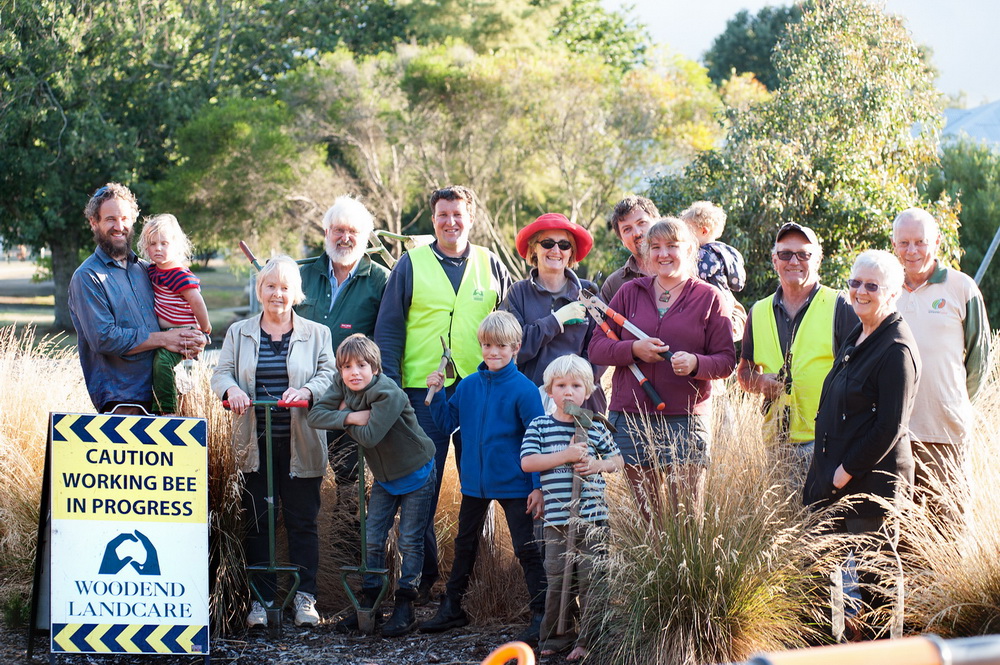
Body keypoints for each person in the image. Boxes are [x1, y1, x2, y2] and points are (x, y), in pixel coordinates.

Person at [374, 185, 512, 604]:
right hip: (422, 395)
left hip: (478, 392)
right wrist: (393, 391)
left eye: (458, 214)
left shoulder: (491, 264)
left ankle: (475, 577)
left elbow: (507, 329)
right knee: (422, 487)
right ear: (432, 219)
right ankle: (423, 577)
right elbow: (390, 328)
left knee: (482, 482)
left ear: (472, 217)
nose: (451, 222)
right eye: (442, 215)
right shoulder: (410, 264)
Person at [211, 256, 335, 628]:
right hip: (254, 443)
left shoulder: (317, 334)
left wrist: (308, 390)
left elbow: (330, 374)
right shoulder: (239, 332)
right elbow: (221, 373)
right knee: (258, 522)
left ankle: (305, 599)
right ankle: (261, 602)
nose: (277, 294)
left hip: (302, 443)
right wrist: (231, 389)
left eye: (284, 287)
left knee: (302, 522)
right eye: (270, 286)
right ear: (259, 290)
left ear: (296, 293)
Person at [803, 249, 920, 640]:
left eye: (872, 285)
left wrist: (842, 473)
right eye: (855, 283)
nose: (861, 291)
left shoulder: (896, 349)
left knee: (875, 585)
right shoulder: (859, 330)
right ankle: (835, 647)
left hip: (871, 486)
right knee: (822, 574)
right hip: (832, 478)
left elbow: (889, 427)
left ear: (893, 293)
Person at [588, 218, 736, 511]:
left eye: (672, 246)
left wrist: (696, 363)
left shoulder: (709, 298)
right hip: (631, 417)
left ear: (691, 249)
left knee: (686, 517)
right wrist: (633, 349)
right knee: (648, 517)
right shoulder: (629, 292)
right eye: (655, 247)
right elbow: (596, 348)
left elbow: (726, 361)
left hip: (686, 419)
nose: (663, 254)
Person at [418, 312, 547, 644]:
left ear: (516, 347)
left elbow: (537, 440)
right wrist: (439, 393)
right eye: (488, 345)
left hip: (516, 483)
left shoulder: (525, 390)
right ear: (480, 346)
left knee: (526, 548)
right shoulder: (469, 386)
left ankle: (541, 612)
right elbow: (447, 425)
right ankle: (452, 608)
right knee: (464, 544)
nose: (493, 352)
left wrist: (538, 487)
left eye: (501, 346)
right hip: (475, 482)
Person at [307, 334, 436, 637]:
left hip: (416, 471)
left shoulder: (388, 393)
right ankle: (370, 604)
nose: (354, 372)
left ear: (375, 368)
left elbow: (369, 438)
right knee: (373, 537)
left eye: (362, 365)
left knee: (409, 539)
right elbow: (314, 416)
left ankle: (406, 607)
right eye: (347, 367)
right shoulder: (343, 386)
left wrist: (340, 417)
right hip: (385, 476)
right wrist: (353, 415)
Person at [296, 196, 390, 547]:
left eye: (353, 231)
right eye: (339, 230)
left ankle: (346, 560)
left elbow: (387, 344)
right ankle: (303, 556)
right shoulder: (301, 275)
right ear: (326, 232)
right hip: (299, 399)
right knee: (299, 480)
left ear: (366, 238)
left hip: (349, 404)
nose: (345, 238)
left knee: (351, 483)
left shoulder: (381, 281)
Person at [69, 183, 206, 414]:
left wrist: (191, 338)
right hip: (124, 402)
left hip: (169, 394)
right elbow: (104, 339)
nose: (119, 226)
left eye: (125, 218)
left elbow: (176, 312)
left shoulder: (148, 270)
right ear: (94, 222)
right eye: (110, 219)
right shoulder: (88, 277)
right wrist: (163, 339)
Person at [520, 354, 623, 661]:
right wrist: (565, 455)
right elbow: (528, 462)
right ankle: (557, 634)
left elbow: (618, 461)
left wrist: (597, 463)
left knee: (593, 579)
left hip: (593, 519)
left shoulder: (595, 427)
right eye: (560, 385)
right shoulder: (540, 425)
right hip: (557, 519)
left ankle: (590, 638)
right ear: (549, 391)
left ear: (588, 392)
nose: (568, 392)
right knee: (557, 577)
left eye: (576, 386)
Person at [737, 223, 858, 469]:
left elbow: (861, 372)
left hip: (826, 440)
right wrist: (760, 383)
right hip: (775, 445)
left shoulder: (840, 306)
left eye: (804, 254)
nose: (794, 261)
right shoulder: (757, 311)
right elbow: (744, 371)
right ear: (774, 260)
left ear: (817, 259)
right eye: (785, 254)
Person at [891, 208, 991, 506]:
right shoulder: (883, 289)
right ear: (893, 244)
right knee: (900, 530)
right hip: (893, 433)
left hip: (945, 433)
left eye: (920, 242)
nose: (912, 251)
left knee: (948, 528)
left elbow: (978, 361)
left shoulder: (962, 288)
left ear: (936, 241)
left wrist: (951, 403)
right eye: (904, 242)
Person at [501, 213, 606, 413]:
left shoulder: (588, 292)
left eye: (564, 245)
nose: (556, 250)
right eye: (547, 243)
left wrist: (575, 387)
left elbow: (600, 348)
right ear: (534, 248)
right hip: (529, 403)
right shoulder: (518, 293)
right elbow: (513, 350)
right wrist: (556, 321)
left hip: (582, 406)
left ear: (571, 252)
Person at [138, 214, 212, 415]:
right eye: (152, 244)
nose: (158, 248)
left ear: (177, 245)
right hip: (166, 331)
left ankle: (168, 410)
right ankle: (156, 406)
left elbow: (196, 301)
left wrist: (205, 327)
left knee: (163, 363)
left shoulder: (179, 274)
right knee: (155, 364)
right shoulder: (153, 271)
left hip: (183, 331)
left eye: (164, 243)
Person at [679, 201, 747, 339]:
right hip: (726, 303)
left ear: (704, 230)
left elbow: (692, 279)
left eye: (688, 231)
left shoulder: (702, 254)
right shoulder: (727, 252)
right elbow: (737, 283)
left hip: (709, 306)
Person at [600, 196, 659, 303]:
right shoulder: (613, 285)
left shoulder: (688, 268)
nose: (637, 233)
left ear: (658, 222)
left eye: (642, 222)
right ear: (622, 240)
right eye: (627, 229)